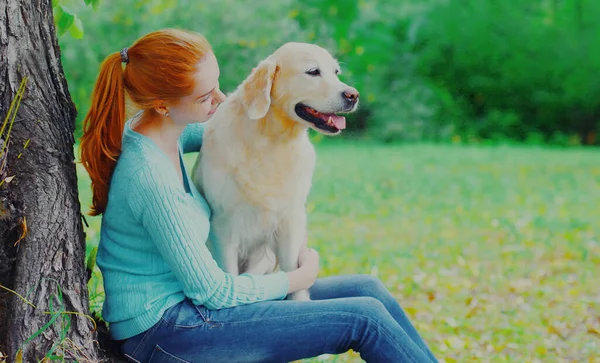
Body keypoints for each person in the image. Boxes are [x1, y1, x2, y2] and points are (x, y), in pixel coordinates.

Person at [80, 28, 439, 363]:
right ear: (161, 104)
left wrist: (276, 104)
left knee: (368, 288)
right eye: (206, 96)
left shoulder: (159, 131)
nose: (220, 99)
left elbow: (233, 126)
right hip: (165, 331)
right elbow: (215, 293)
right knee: (364, 318)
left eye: (217, 85)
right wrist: (296, 280)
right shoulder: (149, 176)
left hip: (191, 308)